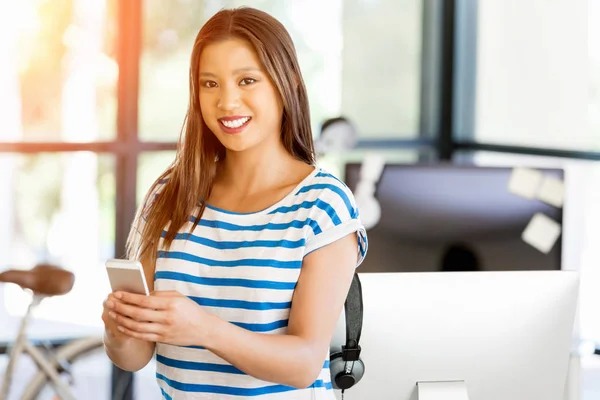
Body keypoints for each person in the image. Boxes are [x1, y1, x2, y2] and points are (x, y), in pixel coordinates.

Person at [101, 7, 368, 399]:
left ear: (287, 82)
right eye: (210, 84)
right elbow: (133, 356)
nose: (227, 102)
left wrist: (204, 329)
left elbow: (305, 362)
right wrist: (119, 328)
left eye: (247, 80)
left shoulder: (323, 205)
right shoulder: (169, 195)